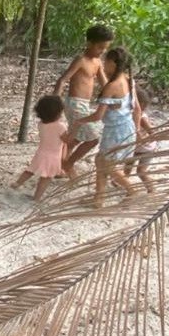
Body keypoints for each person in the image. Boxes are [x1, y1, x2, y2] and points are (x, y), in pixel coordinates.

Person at [65, 47, 142, 207]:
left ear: (114, 63)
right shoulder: (129, 80)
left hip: (115, 131)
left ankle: (132, 190)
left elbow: (98, 116)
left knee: (107, 164)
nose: (104, 64)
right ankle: (98, 199)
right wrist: (138, 130)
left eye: (106, 61)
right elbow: (137, 109)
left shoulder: (112, 86)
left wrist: (79, 121)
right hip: (126, 128)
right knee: (101, 161)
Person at [52, 24, 114, 177]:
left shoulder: (98, 62)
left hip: (85, 105)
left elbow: (105, 84)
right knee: (92, 138)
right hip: (74, 104)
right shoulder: (81, 60)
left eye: (105, 48)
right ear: (89, 43)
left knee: (78, 136)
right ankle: (68, 164)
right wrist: (54, 102)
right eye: (100, 47)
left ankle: (59, 162)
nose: (102, 51)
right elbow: (63, 80)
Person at [11, 95, 68, 201]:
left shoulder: (41, 124)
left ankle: (17, 183)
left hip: (41, 153)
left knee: (30, 170)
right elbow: (67, 140)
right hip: (53, 156)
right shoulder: (61, 127)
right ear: (58, 113)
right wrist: (75, 129)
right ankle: (37, 197)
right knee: (46, 178)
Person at [124, 84, 156, 193]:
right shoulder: (131, 114)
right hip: (135, 148)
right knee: (127, 167)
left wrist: (141, 138)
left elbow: (152, 132)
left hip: (146, 149)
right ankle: (121, 182)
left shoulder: (142, 118)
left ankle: (151, 189)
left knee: (141, 172)